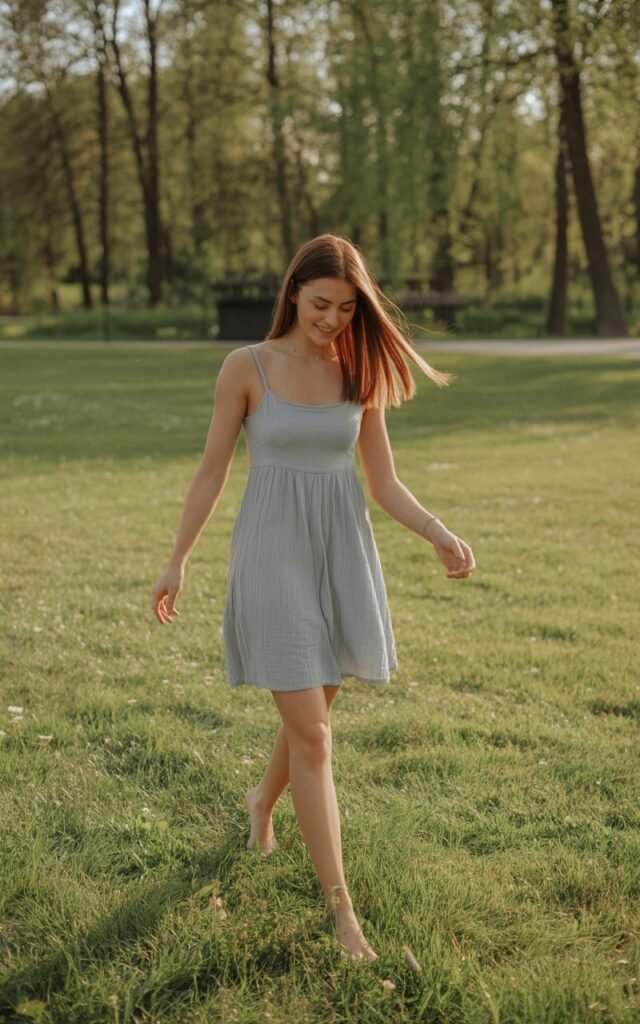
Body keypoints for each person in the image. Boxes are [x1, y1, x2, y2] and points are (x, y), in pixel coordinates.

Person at [151, 233, 476, 962]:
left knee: (313, 716)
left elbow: (383, 481)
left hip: (341, 554)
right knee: (315, 735)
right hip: (271, 556)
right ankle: (343, 913)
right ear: (294, 291)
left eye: (347, 308)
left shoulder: (359, 369)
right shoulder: (247, 367)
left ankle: (260, 802)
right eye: (321, 304)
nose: (332, 319)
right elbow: (211, 471)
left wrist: (437, 532)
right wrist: (177, 561)